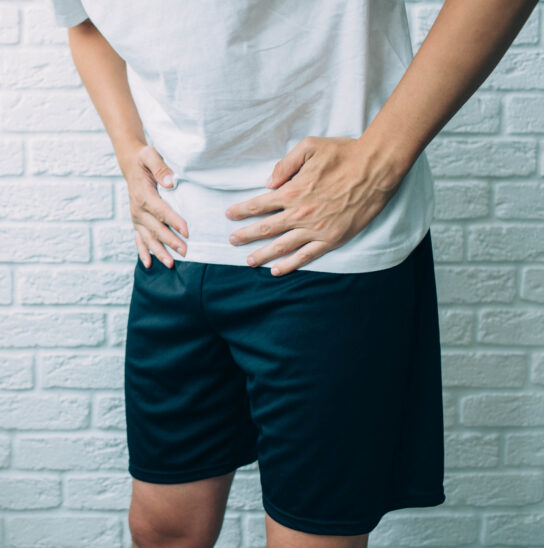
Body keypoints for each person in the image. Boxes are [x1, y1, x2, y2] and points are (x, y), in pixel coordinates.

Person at [46, 1, 537, 546]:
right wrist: (127, 148)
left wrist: (380, 162)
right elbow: (83, 22)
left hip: (327, 251)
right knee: (163, 530)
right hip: (174, 244)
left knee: (310, 539)